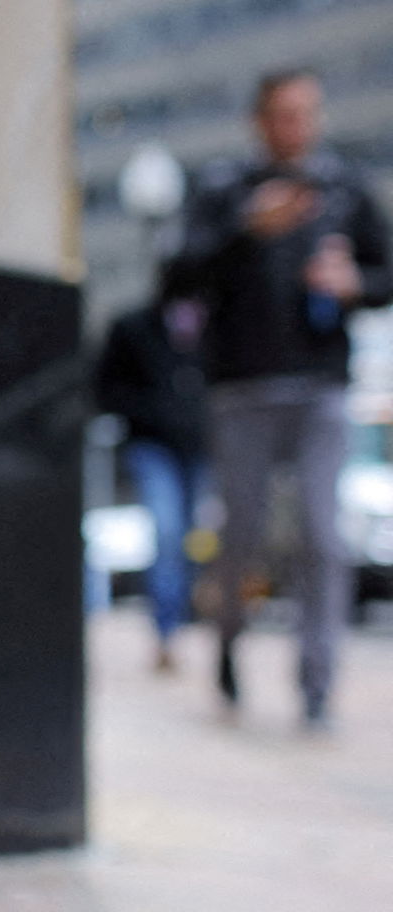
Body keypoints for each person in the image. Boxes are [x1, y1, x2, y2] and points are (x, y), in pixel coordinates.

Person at [180, 69, 393, 728]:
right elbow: (178, 274)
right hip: (241, 386)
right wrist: (248, 230)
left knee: (323, 536)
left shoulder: (346, 190)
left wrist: (353, 281)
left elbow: (386, 275)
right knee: (240, 535)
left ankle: (317, 684)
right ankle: (228, 641)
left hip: (323, 386)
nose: (295, 126)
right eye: (282, 114)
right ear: (259, 119)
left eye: (306, 113)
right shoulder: (224, 191)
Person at [96, 258, 209, 672]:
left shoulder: (212, 330)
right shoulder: (132, 327)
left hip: (199, 449)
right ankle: (166, 632)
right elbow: (105, 388)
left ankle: (180, 620)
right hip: (152, 445)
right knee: (167, 531)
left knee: (193, 538)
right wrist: (153, 414)